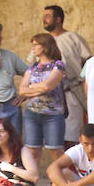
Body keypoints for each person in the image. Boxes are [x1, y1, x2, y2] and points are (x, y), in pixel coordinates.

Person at [38, 5, 92, 147]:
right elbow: (33, 66)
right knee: (55, 138)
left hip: (71, 92)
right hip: (50, 95)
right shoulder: (42, 42)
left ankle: (75, 168)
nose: (44, 19)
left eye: (48, 16)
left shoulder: (73, 38)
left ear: (58, 19)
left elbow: (89, 61)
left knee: (73, 135)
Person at [19, 32, 67, 170]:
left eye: (35, 45)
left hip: (53, 115)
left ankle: (64, 185)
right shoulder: (33, 67)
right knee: (32, 152)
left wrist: (32, 88)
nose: (33, 48)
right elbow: (21, 90)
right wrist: (39, 88)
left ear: (45, 46)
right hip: (32, 114)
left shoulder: (58, 65)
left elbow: (49, 86)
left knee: (56, 151)